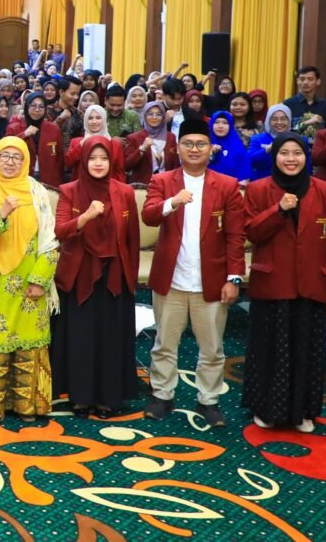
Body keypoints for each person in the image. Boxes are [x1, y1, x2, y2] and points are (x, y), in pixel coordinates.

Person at [141, 118, 246, 428]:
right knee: (164, 344)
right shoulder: (162, 181)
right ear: (177, 148)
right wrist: (173, 202)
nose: (195, 149)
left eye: (201, 144)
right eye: (188, 144)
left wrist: (234, 278)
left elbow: (236, 236)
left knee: (212, 348)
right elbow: (149, 216)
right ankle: (162, 395)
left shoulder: (226, 185)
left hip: (210, 281)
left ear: (210, 148)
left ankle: (208, 400)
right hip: (171, 279)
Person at [242, 132, 326, 432]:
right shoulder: (258, 189)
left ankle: (302, 412)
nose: (291, 159)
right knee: (269, 349)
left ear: (306, 156)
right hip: (272, 283)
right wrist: (278, 210)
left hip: (311, 283)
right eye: (284, 153)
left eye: (297, 153)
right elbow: (251, 232)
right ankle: (267, 410)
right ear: (274, 156)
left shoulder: (323, 190)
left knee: (305, 349)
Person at [0, 137, 59, 423]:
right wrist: (2, 214)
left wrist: (39, 280)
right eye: (4, 156)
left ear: (26, 161)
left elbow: (50, 240)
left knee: (29, 346)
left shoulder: (37, 191)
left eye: (16, 157)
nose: (9, 161)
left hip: (32, 279)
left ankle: (27, 407)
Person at [50, 138, 141, 418]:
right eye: (92, 158)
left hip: (115, 274)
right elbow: (61, 231)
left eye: (103, 158)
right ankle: (80, 397)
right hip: (80, 273)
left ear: (111, 161)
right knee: (82, 337)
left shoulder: (124, 192)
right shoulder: (69, 190)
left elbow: (132, 239)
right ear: (83, 161)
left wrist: (131, 278)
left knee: (110, 337)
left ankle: (107, 398)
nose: (98, 163)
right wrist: (86, 216)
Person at [6, 94, 66, 189]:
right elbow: (6, 148)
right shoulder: (14, 128)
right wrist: (24, 134)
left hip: (48, 179)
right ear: (26, 107)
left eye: (41, 106)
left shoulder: (53, 128)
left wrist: (57, 179)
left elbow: (59, 157)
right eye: (33, 106)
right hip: (22, 177)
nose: (37, 110)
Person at [66, 105, 130, 182]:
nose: (94, 122)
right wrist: (82, 143)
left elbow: (120, 172)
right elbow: (68, 164)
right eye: (90, 118)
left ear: (104, 119)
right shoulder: (76, 142)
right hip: (81, 187)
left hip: (107, 187)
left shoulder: (115, 144)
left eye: (98, 118)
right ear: (85, 120)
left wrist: (119, 188)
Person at [125, 101, 179, 185]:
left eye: (159, 114)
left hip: (167, 184)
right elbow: (127, 166)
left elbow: (175, 165)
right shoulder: (134, 138)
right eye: (150, 114)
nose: (154, 117)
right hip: (143, 187)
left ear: (163, 116)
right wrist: (142, 148)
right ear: (144, 116)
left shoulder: (170, 137)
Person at [283, 66, 326, 141]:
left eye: (310, 79)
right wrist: (308, 122)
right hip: (295, 145)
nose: (305, 82)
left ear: (318, 81)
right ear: (297, 81)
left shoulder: (325, 105)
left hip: (318, 147)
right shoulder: (287, 105)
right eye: (302, 79)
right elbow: (285, 131)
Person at [249, 104, 295, 181]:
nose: (279, 122)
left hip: (291, 182)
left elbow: (305, 167)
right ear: (268, 121)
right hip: (262, 182)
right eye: (274, 119)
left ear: (289, 120)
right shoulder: (258, 139)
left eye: (283, 119)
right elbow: (250, 161)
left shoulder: (298, 140)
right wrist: (266, 150)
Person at [208, 111, 250, 184]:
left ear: (230, 125)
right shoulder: (203, 143)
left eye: (225, 123)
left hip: (232, 187)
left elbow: (244, 170)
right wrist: (211, 153)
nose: (220, 126)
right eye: (216, 122)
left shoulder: (237, 145)